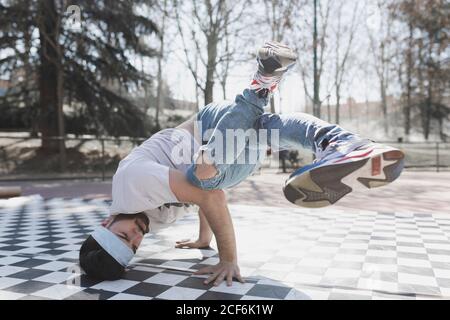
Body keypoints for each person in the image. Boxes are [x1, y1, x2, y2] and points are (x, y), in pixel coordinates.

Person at [79, 41, 404, 286]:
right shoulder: (148, 222)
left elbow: (209, 195)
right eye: (134, 247)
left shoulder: (130, 185)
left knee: (205, 178)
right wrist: (203, 239)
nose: (136, 237)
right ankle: (342, 143)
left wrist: (228, 259)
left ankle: (259, 87)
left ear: (107, 225)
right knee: (266, 131)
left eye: (125, 237)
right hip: (227, 158)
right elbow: (196, 198)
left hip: (209, 128)